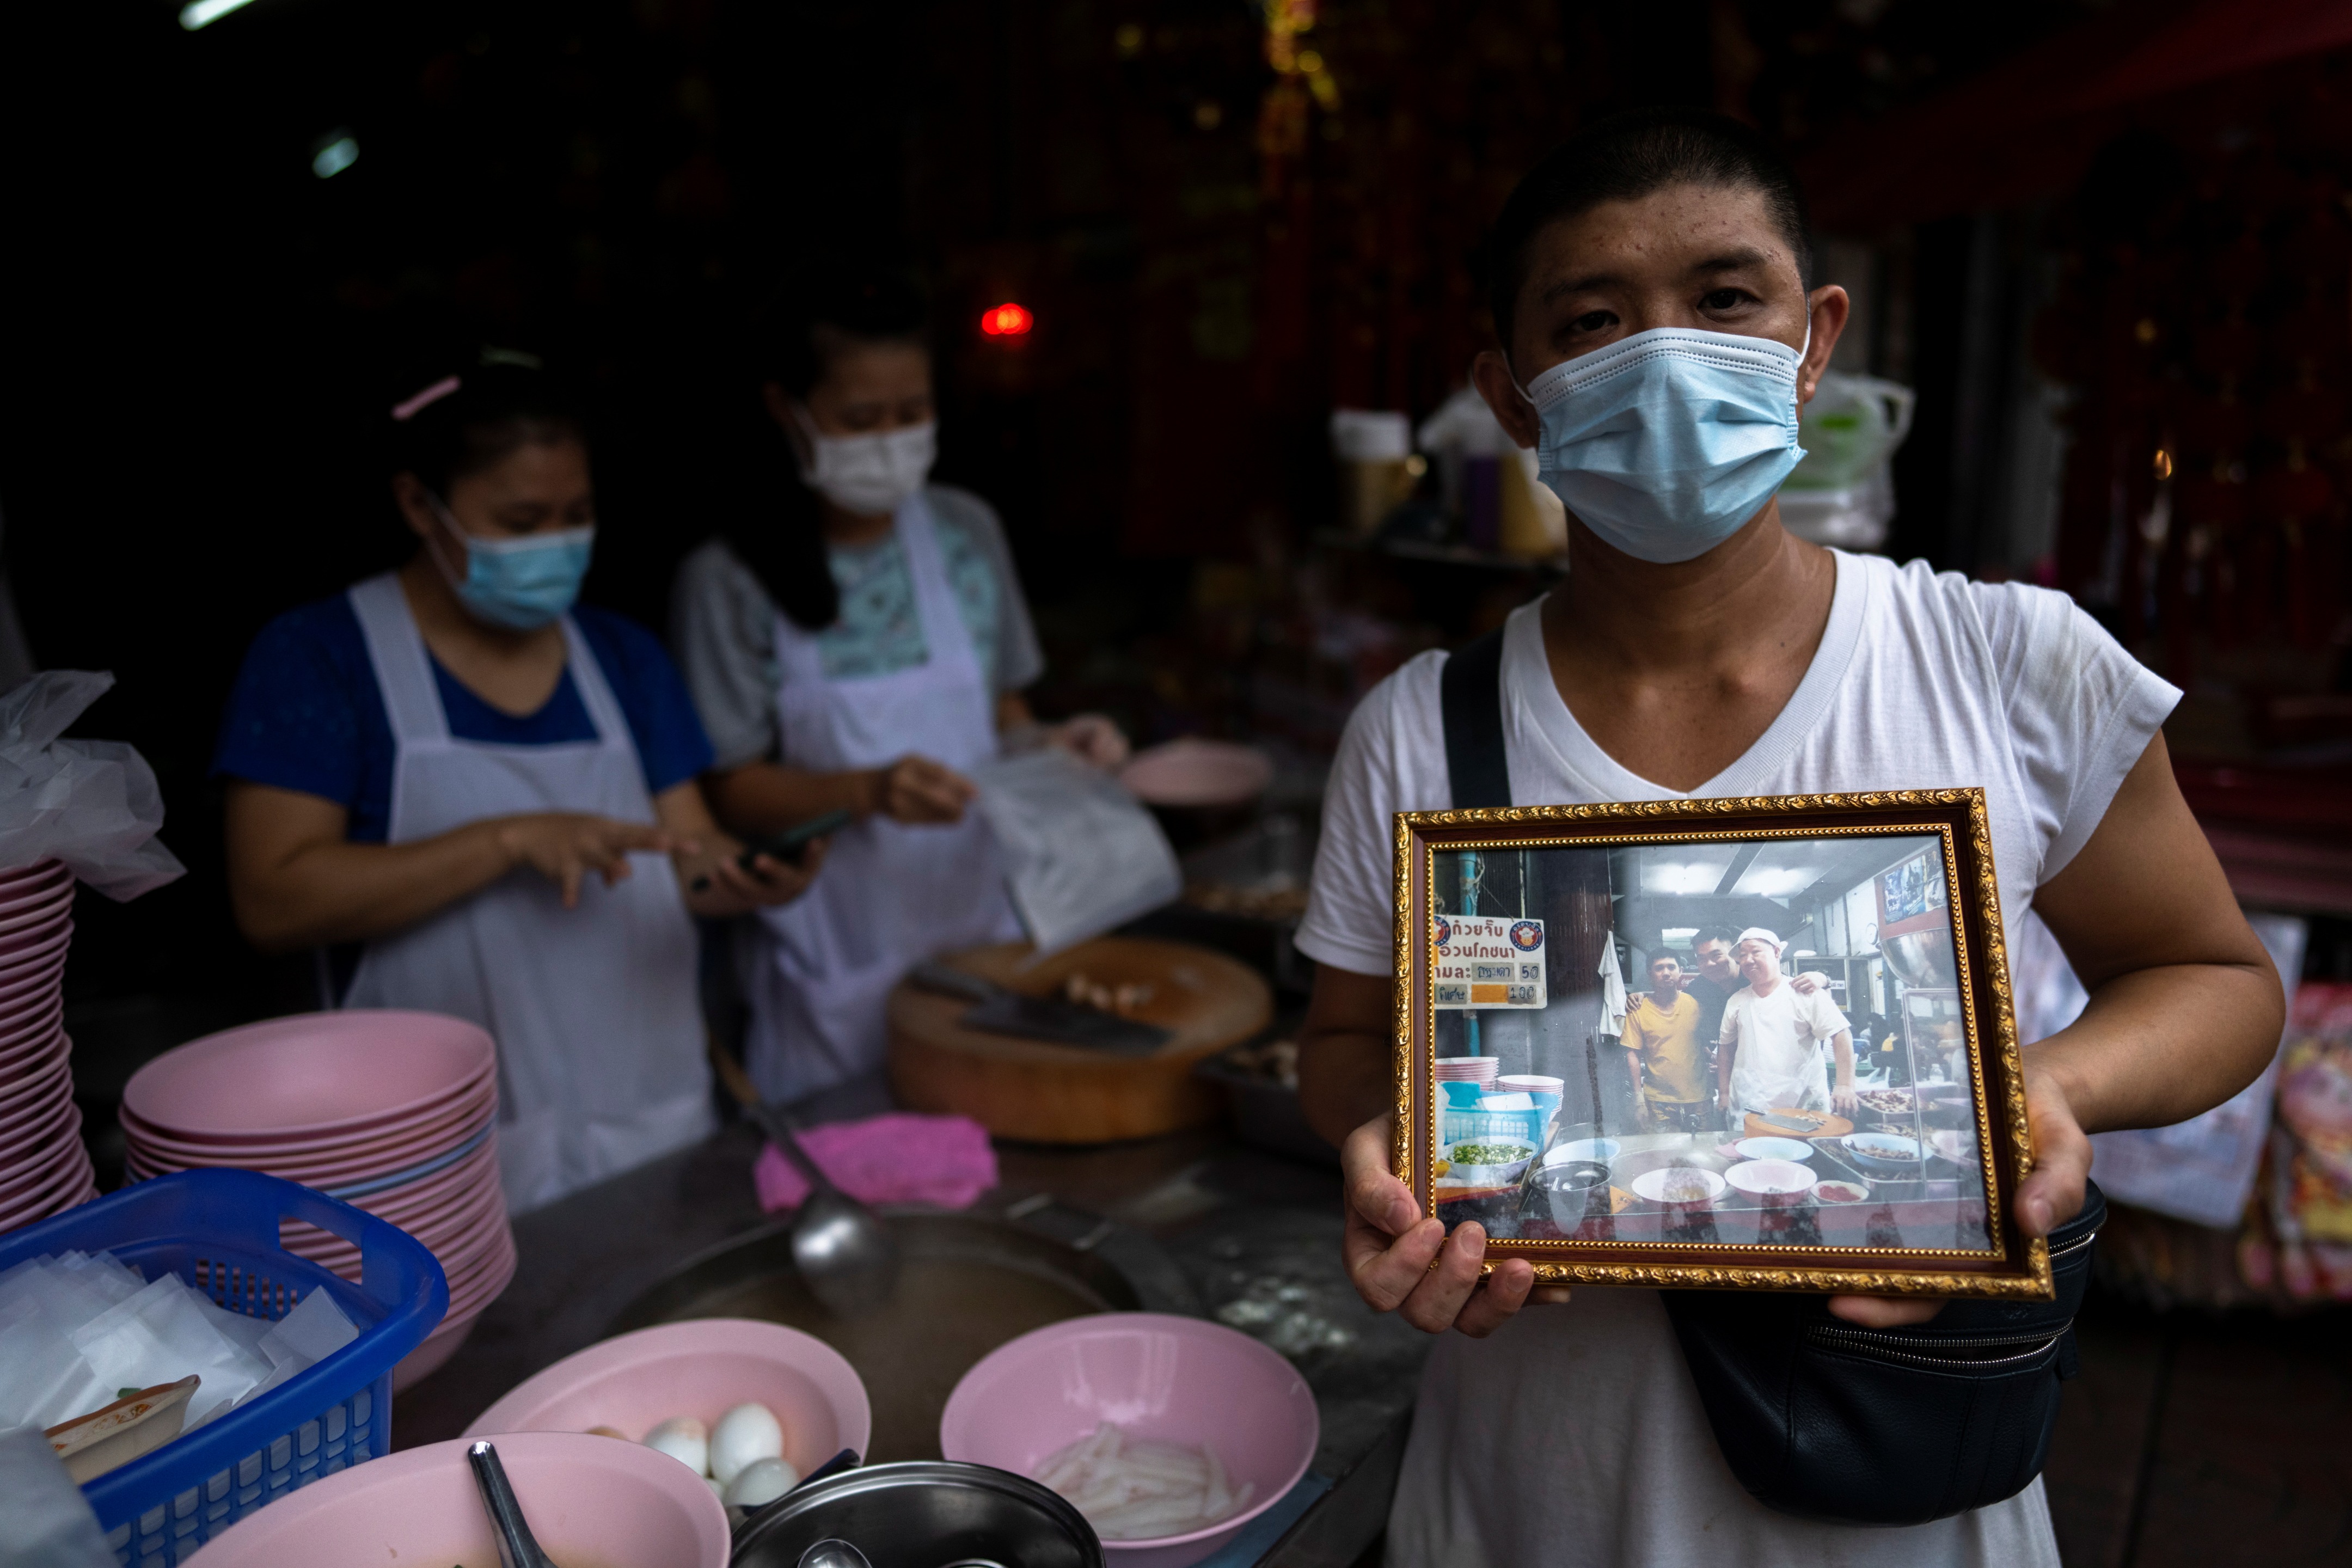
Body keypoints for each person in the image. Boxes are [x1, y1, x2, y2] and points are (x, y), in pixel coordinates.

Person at [1294, 107, 2283, 1566]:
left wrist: (2044, 1092)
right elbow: (1339, 1051)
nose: (1669, 355)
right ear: (1512, 397)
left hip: (1906, 1491)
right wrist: (1403, 1153)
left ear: (1814, 340)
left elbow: (2218, 982)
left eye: (1723, 298)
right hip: (1532, 1492)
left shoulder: (2006, 663)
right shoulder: (1421, 731)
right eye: (1592, 318)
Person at [219, 353, 819, 1214]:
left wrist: (751, 875)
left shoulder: (624, 658)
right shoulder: (319, 659)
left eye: (576, 516)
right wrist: (507, 840)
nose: (556, 543)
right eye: (521, 519)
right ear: (418, 504)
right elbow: (272, 901)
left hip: (648, 1126)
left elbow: (685, 854)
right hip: (438, 1164)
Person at [670, 267, 1126, 1105]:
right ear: (787, 410)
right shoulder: (729, 579)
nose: (890, 438)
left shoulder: (965, 532)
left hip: (986, 938)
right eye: (860, 419)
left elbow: (1004, 714)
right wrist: (868, 791)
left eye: (911, 415)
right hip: (832, 963)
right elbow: (730, 795)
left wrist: (1055, 749)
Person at [1717, 927, 1856, 1119]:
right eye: (1743, 956)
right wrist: (1724, 1093)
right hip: (1750, 1104)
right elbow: (1725, 1047)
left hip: (1802, 1104)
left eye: (1755, 952)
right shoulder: (1737, 1001)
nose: (1748, 960)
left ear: (1776, 952)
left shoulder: (1805, 991)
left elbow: (1840, 1034)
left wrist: (1845, 1086)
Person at [1621, 953, 1709, 1130]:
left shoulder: (1696, 1005)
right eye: (1659, 968)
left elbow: (1700, 1043)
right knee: (1663, 1154)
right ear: (1649, 973)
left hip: (1699, 1098)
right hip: (1659, 1102)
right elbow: (1633, 1054)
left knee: (1703, 1152)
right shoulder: (1638, 1010)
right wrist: (1639, 1099)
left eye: (1671, 967)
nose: (1666, 973)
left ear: (1681, 971)